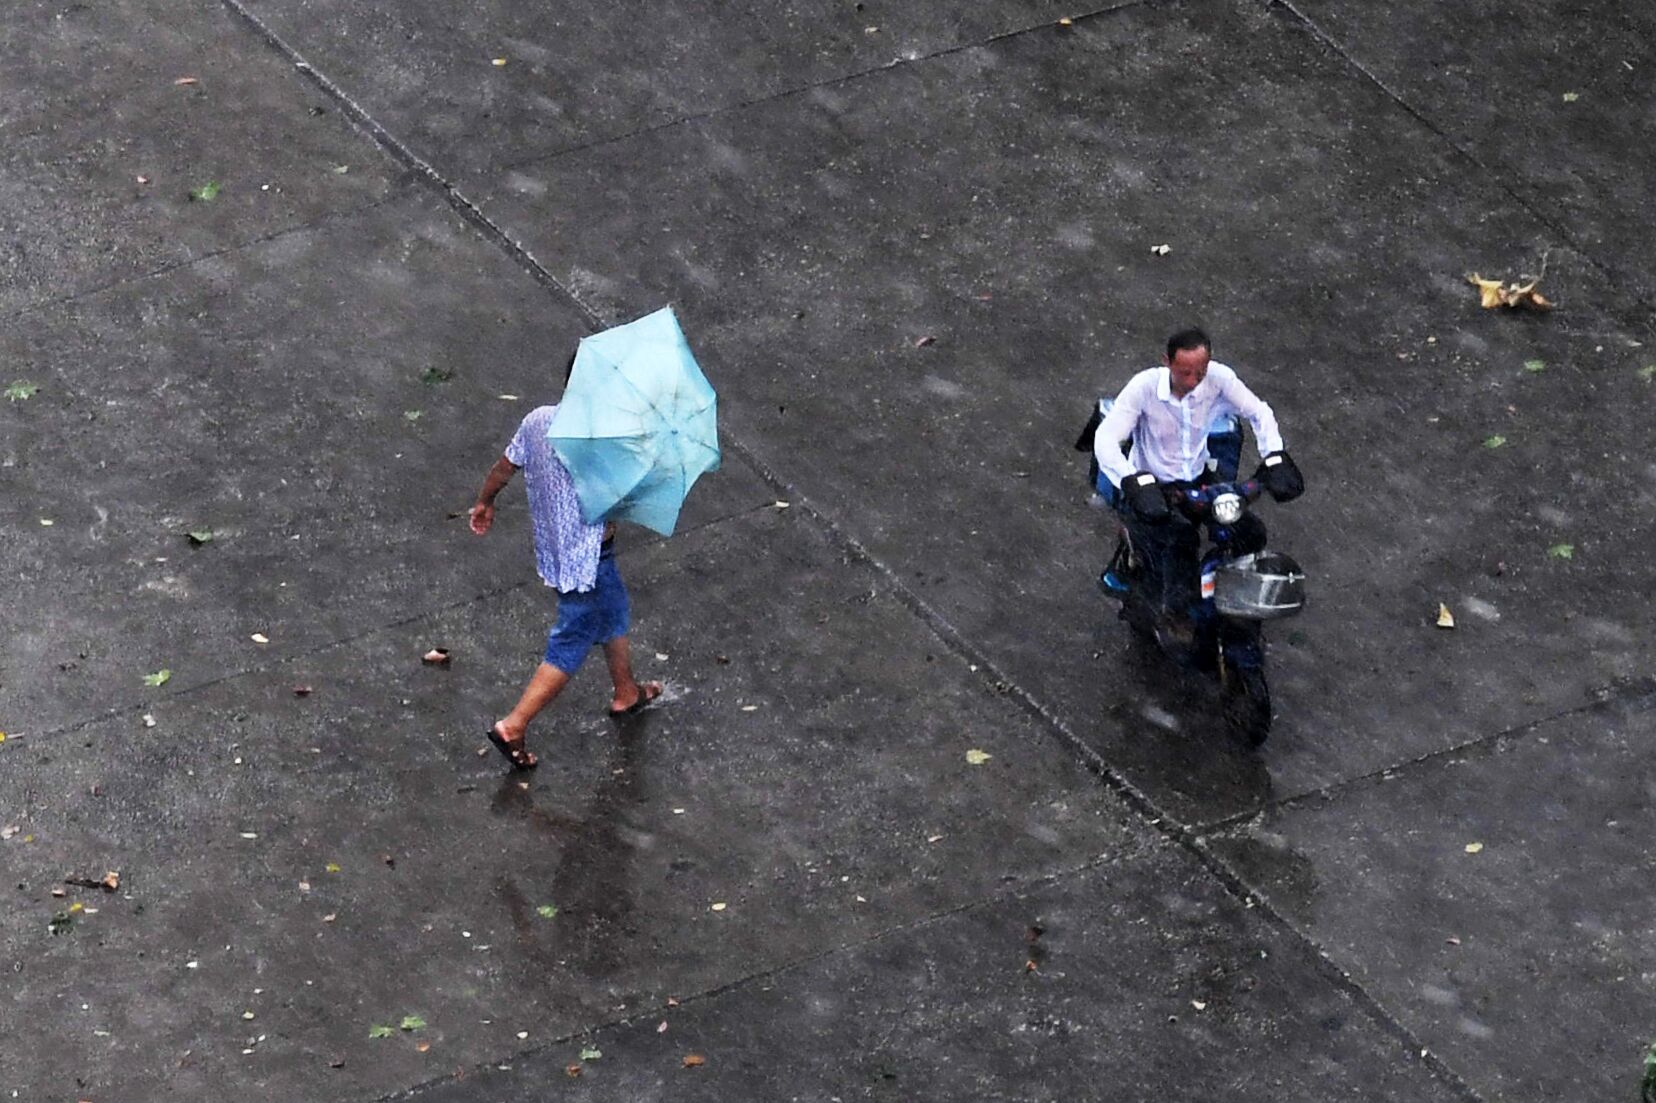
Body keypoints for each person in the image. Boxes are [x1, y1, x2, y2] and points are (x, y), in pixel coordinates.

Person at [469, 399, 662, 771]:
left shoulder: (538, 420)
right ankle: (514, 726)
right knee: (571, 640)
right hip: (586, 556)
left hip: (558, 547)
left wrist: (485, 501)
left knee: (614, 609)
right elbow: (625, 497)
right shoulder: (604, 439)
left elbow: (506, 465)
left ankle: (626, 692)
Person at [1092, 327, 1298, 646]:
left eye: (1199, 373)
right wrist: (1131, 481)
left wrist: (1274, 454)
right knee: (1180, 539)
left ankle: (1237, 596)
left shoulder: (1219, 379)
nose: (1192, 381)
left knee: (1250, 531)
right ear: (1166, 362)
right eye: (1184, 373)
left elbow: (1258, 412)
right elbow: (1106, 439)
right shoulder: (1143, 388)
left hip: (1199, 480)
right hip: (1154, 488)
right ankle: (1176, 613)